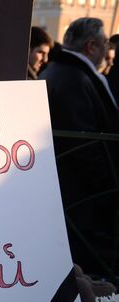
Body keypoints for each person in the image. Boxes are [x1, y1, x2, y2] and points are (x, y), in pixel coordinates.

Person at [39, 17, 119, 275]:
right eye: (106, 43)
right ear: (92, 45)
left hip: (74, 195)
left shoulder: (60, 71)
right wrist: (108, 186)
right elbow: (83, 144)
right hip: (82, 199)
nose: (109, 51)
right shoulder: (73, 78)